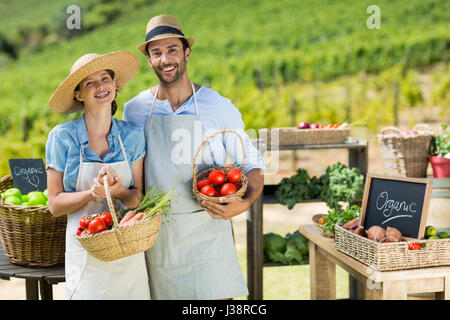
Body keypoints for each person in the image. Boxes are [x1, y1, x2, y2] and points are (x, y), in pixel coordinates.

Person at [123, 15, 265, 300]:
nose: (165, 59)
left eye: (172, 50)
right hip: (159, 235)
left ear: (186, 53)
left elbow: (251, 163)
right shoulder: (134, 110)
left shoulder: (218, 106)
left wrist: (244, 202)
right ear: (150, 60)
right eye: (157, 53)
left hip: (208, 231)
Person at [46, 51, 150, 299]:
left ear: (114, 85)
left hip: (128, 254)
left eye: (105, 78)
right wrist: (91, 194)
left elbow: (138, 199)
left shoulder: (132, 136)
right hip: (85, 253)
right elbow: (55, 204)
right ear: (79, 94)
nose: (100, 86)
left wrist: (120, 192)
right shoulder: (62, 137)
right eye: (90, 82)